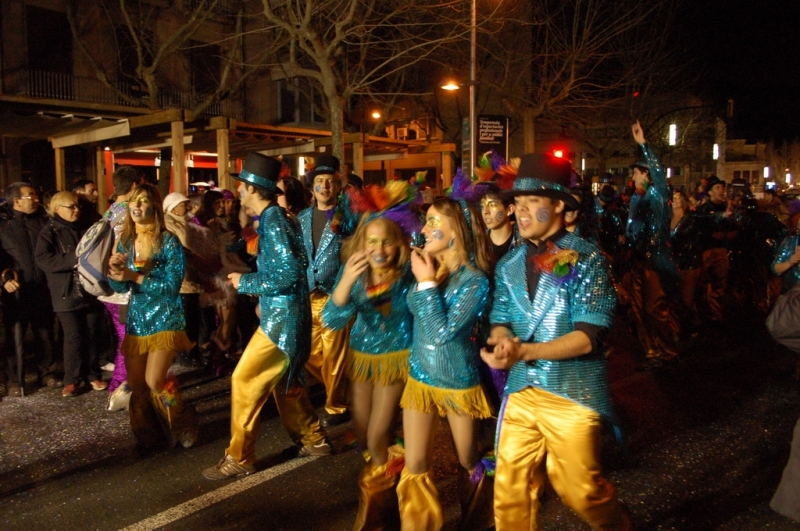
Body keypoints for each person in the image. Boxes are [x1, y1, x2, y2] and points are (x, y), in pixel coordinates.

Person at [480, 152, 631, 531]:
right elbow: (500, 320)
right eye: (517, 202)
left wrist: (524, 351)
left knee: (579, 490)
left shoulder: (588, 258)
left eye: (533, 201)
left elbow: (589, 337)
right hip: (521, 392)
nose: (521, 211)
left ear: (562, 206)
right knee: (510, 486)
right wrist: (501, 343)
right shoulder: (509, 264)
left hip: (573, 393)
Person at [203, 152, 332, 480]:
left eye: (242, 188)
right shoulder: (278, 217)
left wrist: (245, 281)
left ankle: (240, 457)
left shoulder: (274, 220)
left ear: (252, 189)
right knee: (286, 384)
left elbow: (290, 271)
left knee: (244, 380)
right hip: (288, 316)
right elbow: (291, 264)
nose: (239, 195)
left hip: (281, 322)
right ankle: (313, 440)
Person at [323, 186, 419, 530]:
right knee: (363, 434)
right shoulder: (354, 271)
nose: (379, 249)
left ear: (399, 245)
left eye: (387, 242)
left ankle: (379, 514)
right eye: (372, 242)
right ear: (362, 244)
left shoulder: (409, 274)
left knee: (378, 434)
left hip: (397, 358)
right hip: (362, 358)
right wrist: (346, 282)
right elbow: (332, 320)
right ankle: (393, 478)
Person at [397, 197, 493, 531]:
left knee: (467, 459)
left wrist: (424, 282)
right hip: (419, 376)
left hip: (457, 382)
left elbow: (442, 332)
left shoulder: (475, 281)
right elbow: (413, 313)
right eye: (426, 221)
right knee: (415, 461)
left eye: (434, 221)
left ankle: (479, 519)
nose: (424, 229)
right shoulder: (431, 268)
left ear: (458, 232)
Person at [107, 183, 198, 452]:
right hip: (138, 321)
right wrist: (116, 274)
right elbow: (121, 288)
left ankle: (183, 421)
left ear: (154, 207)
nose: (137, 206)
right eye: (133, 201)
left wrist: (134, 276)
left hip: (166, 320)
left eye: (144, 201)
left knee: (156, 382)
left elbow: (171, 286)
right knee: (138, 386)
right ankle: (148, 436)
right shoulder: (124, 241)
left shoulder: (168, 241)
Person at [299, 155, 355, 428]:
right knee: (308, 352)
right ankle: (345, 387)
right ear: (312, 188)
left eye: (330, 182)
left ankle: (336, 406)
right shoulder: (301, 218)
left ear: (337, 187)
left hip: (337, 295)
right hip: (308, 295)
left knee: (334, 354)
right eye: (319, 182)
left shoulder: (348, 218)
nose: (324, 187)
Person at [35, 191, 107, 397]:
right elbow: (43, 259)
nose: (76, 210)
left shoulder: (87, 226)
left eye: (78, 206)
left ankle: (92, 374)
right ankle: (72, 379)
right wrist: (74, 260)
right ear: (58, 209)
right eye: (71, 207)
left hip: (89, 289)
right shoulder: (50, 231)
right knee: (73, 336)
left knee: (93, 333)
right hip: (65, 291)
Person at [626, 121, 682, 370]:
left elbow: (659, 172)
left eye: (637, 172)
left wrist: (644, 145)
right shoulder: (636, 199)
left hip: (655, 261)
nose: (633, 176)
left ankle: (668, 349)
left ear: (646, 174)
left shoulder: (658, 193)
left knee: (654, 308)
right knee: (638, 309)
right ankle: (651, 348)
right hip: (637, 260)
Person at [0, 182, 59, 396]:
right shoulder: (3, 224)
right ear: (16, 201)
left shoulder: (43, 220)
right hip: (16, 289)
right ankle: (15, 379)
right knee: (15, 336)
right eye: (30, 195)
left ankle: (47, 371)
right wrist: (4, 279)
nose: (35, 198)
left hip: (41, 287)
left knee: (44, 332)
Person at [99, 165, 142, 410]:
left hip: (109, 288)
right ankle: (122, 390)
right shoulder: (129, 214)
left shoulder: (110, 211)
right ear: (136, 185)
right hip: (123, 288)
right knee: (131, 341)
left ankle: (126, 388)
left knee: (125, 339)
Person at [694, 175, 736, 325]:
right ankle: (702, 312)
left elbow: (734, 228)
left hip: (721, 250)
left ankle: (715, 314)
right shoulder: (704, 209)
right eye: (717, 188)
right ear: (710, 192)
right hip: (706, 251)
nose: (721, 191)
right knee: (701, 283)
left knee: (720, 283)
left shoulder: (728, 207)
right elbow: (703, 223)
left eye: (722, 188)